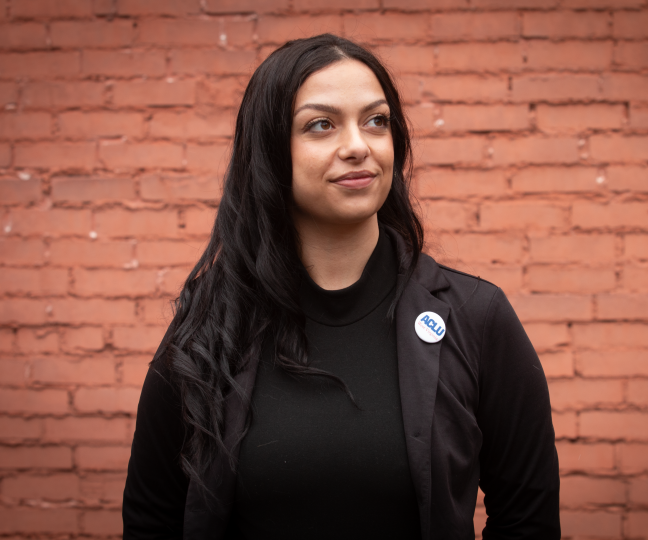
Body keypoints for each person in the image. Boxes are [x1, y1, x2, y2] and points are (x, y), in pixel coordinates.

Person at [122, 34, 560, 540]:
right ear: (269, 151)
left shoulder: (476, 317)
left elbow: (528, 519)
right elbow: (152, 521)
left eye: (376, 121)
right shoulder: (209, 325)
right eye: (321, 125)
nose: (358, 146)